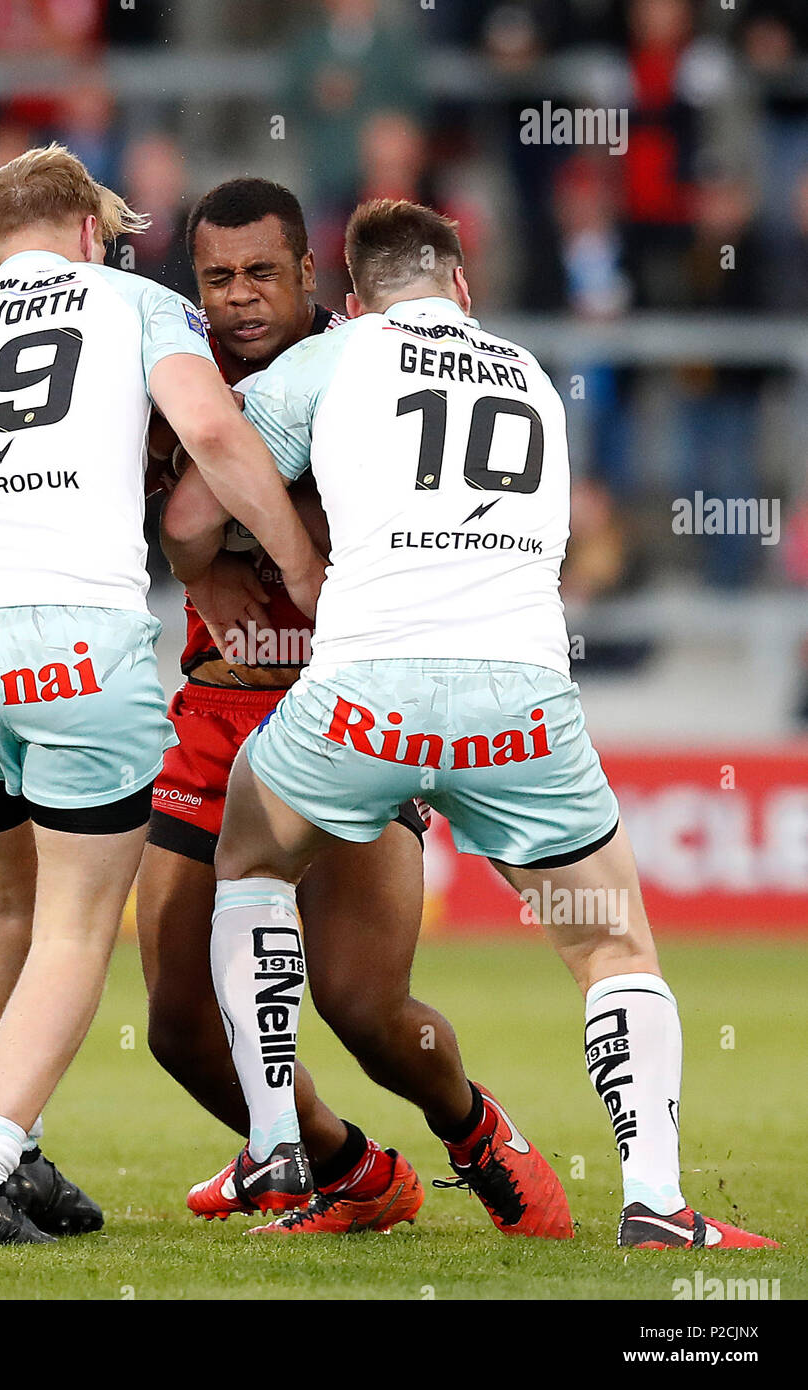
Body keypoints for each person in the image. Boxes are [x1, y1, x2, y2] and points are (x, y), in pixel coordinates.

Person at [164, 197, 778, 1251]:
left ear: (351, 300)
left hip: (364, 695)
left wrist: (225, 572)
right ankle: (657, 1204)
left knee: (251, 860)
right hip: (518, 704)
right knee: (611, 945)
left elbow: (187, 514)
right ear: (461, 286)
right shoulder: (530, 374)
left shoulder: (337, 358)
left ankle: (274, 1136)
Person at [0, 145, 322, 1245]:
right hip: (78, 643)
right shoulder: (135, 300)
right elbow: (215, 433)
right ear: (90, 233)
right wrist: (302, 566)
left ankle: (16, 1143)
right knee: (78, 925)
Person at [146, 178, 571, 1239]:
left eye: (260, 274)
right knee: (178, 1022)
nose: (240, 298)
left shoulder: (367, 366)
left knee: (362, 1003)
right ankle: (344, 1166)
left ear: (309, 276)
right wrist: (198, 580)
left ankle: (470, 1127)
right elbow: (171, 521)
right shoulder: (174, 383)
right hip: (215, 706)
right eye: (216, 279)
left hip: (346, 709)